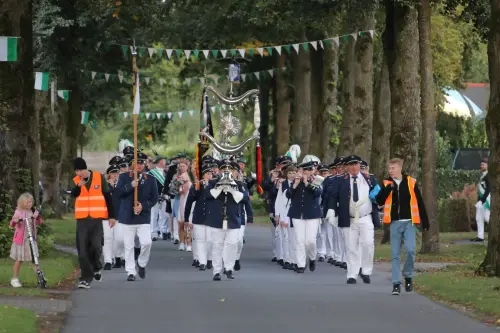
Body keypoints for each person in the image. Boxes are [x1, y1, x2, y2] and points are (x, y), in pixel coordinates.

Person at [376, 158, 429, 295]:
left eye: (393, 168)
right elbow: (379, 200)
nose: (390, 171)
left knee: (411, 250)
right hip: (394, 223)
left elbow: (420, 202)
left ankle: (408, 275)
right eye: (389, 168)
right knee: (395, 254)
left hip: (409, 222)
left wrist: (425, 220)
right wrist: (388, 190)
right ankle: (396, 284)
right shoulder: (387, 183)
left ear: (400, 168)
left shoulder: (411, 182)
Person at [328, 155, 380, 284]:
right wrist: (331, 211)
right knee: (351, 247)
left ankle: (366, 271)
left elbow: (377, 194)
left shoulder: (369, 179)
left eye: (356, 164)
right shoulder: (341, 180)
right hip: (349, 218)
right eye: (351, 165)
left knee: (368, 244)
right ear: (346, 167)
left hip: (366, 217)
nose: (354, 167)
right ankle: (352, 274)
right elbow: (333, 197)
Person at [71, 157, 115, 289]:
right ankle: (85, 278)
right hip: (82, 219)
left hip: (96, 219)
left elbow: (107, 197)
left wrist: (112, 216)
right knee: (83, 249)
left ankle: (96, 266)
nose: (78, 174)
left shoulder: (98, 177)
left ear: (85, 168)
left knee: (96, 246)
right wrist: (79, 186)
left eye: (80, 170)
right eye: (76, 171)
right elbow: (73, 194)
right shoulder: (76, 180)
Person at [115, 152, 158, 281]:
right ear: (132, 164)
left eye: (141, 163)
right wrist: (130, 186)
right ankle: (130, 272)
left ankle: (142, 263)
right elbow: (118, 193)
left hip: (143, 217)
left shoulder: (150, 179)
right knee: (128, 246)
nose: (139, 165)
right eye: (137, 163)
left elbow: (154, 198)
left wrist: (143, 206)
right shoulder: (124, 177)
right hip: (128, 217)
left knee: (147, 242)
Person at [205, 159, 249, 281]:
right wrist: (219, 188)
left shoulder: (239, 184)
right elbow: (207, 195)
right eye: (224, 169)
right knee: (217, 245)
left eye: (230, 169)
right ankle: (217, 271)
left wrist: (233, 190)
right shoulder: (213, 182)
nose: (227, 172)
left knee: (232, 244)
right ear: (219, 171)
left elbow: (245, 198)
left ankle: (229, 268)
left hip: (233, 218)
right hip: (217, 219)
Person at [286, 161, 322, 273]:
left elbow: (318, 193)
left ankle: (312, 258)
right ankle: (301, 264)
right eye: (303, 170)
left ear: (311, 171)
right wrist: (295, 184)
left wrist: (307, 183)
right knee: (300, 240)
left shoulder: (317, 180)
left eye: (307, 170)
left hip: (312, 214)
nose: (305, 172)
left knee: (310, 241)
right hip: (297, 213)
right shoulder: (295, 181)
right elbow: (288, 195)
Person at [9, 193, 42, 288]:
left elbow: (39, 221)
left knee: (34, 259)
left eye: (31, 202)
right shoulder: (18, 211)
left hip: (31, 239)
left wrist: (37, 218)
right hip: (21, 240)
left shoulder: (32, 211)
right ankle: (14, 279)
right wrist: (16, 220)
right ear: (22, 203)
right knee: (19, 259)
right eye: (27, 202)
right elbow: (12, 222)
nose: (29, 204)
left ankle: (40, 278)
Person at [102, 164, 120, 270]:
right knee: (107, 238)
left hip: (119, 215)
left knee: (118, 239)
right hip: (106, 215)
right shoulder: (104, 186)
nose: (115, 175)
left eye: (117, 173)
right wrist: (109, 186)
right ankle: (108, 260)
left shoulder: (122, 185)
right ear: (108, 175)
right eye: (113, 173)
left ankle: (118, 257)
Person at [149, 155, 169, 241]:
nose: (165, 163)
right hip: (154, 196)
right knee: (154, 214)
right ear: (161, 161)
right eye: (164, 161)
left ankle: (163, 231)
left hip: (164, 196)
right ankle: (153, 233)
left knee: (164, 215)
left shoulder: (166, 172)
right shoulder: (151, 173)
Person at [471, 157, 490, 242]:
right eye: (481, 164)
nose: (481, 165)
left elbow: (488, 189)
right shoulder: (482, 175)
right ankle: (480, 236)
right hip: (480, 200)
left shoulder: (488, 175)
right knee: (479, 218)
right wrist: (479, 200)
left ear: (487, 165)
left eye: (483, 164)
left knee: (487, 218)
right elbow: (480, 190)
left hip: (486, 200)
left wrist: (482, 200)